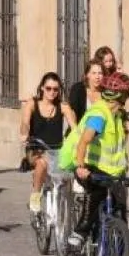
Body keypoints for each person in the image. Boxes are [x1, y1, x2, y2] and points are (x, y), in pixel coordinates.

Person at [64, 71, 129, 247]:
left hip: (112, 171)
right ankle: (80, 231)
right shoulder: (99, 115)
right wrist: (81, 167)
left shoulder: (117, 114)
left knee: (119, 206)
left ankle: (119, 250)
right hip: (89, 166)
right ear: (124, 96)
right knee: (97, 192)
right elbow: (84, 141)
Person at [19, 72, 77, 212]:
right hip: (36, 148)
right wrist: (24, 133)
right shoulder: (32, 104)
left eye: (55, 89)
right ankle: (35, 195)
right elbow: (25, 123)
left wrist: (77, 138)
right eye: (48, 88)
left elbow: (75, 128)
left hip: (56, 150)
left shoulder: (63, 106)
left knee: (72, 164)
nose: (52, 92)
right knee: (42, 163)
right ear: (42, 88)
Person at [66, 59, 104, 132]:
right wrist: (76, 131)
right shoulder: (78, 89)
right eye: (94, 73)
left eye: (100, 73)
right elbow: (73, 112)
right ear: (87, 75)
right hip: (79, 132)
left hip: (99, 135)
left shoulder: (105, 92)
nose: (97, 77)